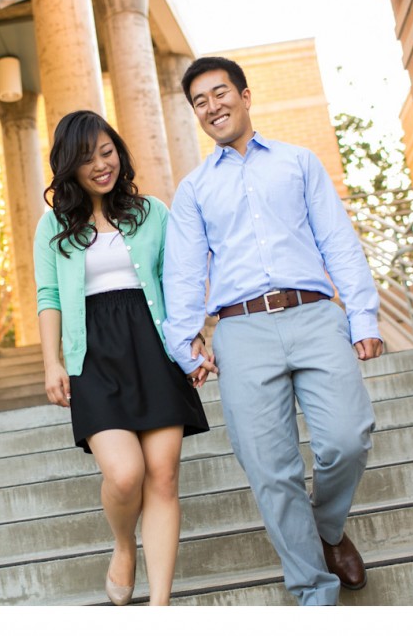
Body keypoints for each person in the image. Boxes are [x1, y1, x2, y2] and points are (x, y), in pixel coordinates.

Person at [162, 57, 382, 606]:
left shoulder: (299, 163)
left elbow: (338, 242)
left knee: (347, 439)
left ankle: (326, 530)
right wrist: (186, 343)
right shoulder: (193, 191)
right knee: (270, 469)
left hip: (314, 315)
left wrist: (363, 315)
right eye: (200, 102)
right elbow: (184, 275)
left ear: (245, 94)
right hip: (240, 331)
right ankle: (314, 592)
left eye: (220, 93)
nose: (212, 107)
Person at [33, 110, 211, 606]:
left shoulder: (152, 211)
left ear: (120, 152)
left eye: (107, 152)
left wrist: (192, 339)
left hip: (152, 347)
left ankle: (159, 606)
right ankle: (121, 543)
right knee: (125, 473)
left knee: (164, 474)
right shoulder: (53, 224)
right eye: (87, 158)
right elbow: (49, 296)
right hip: (92, 353)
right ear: (69, 166)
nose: (101, 165)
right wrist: (52, 363)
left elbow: (179, 281)